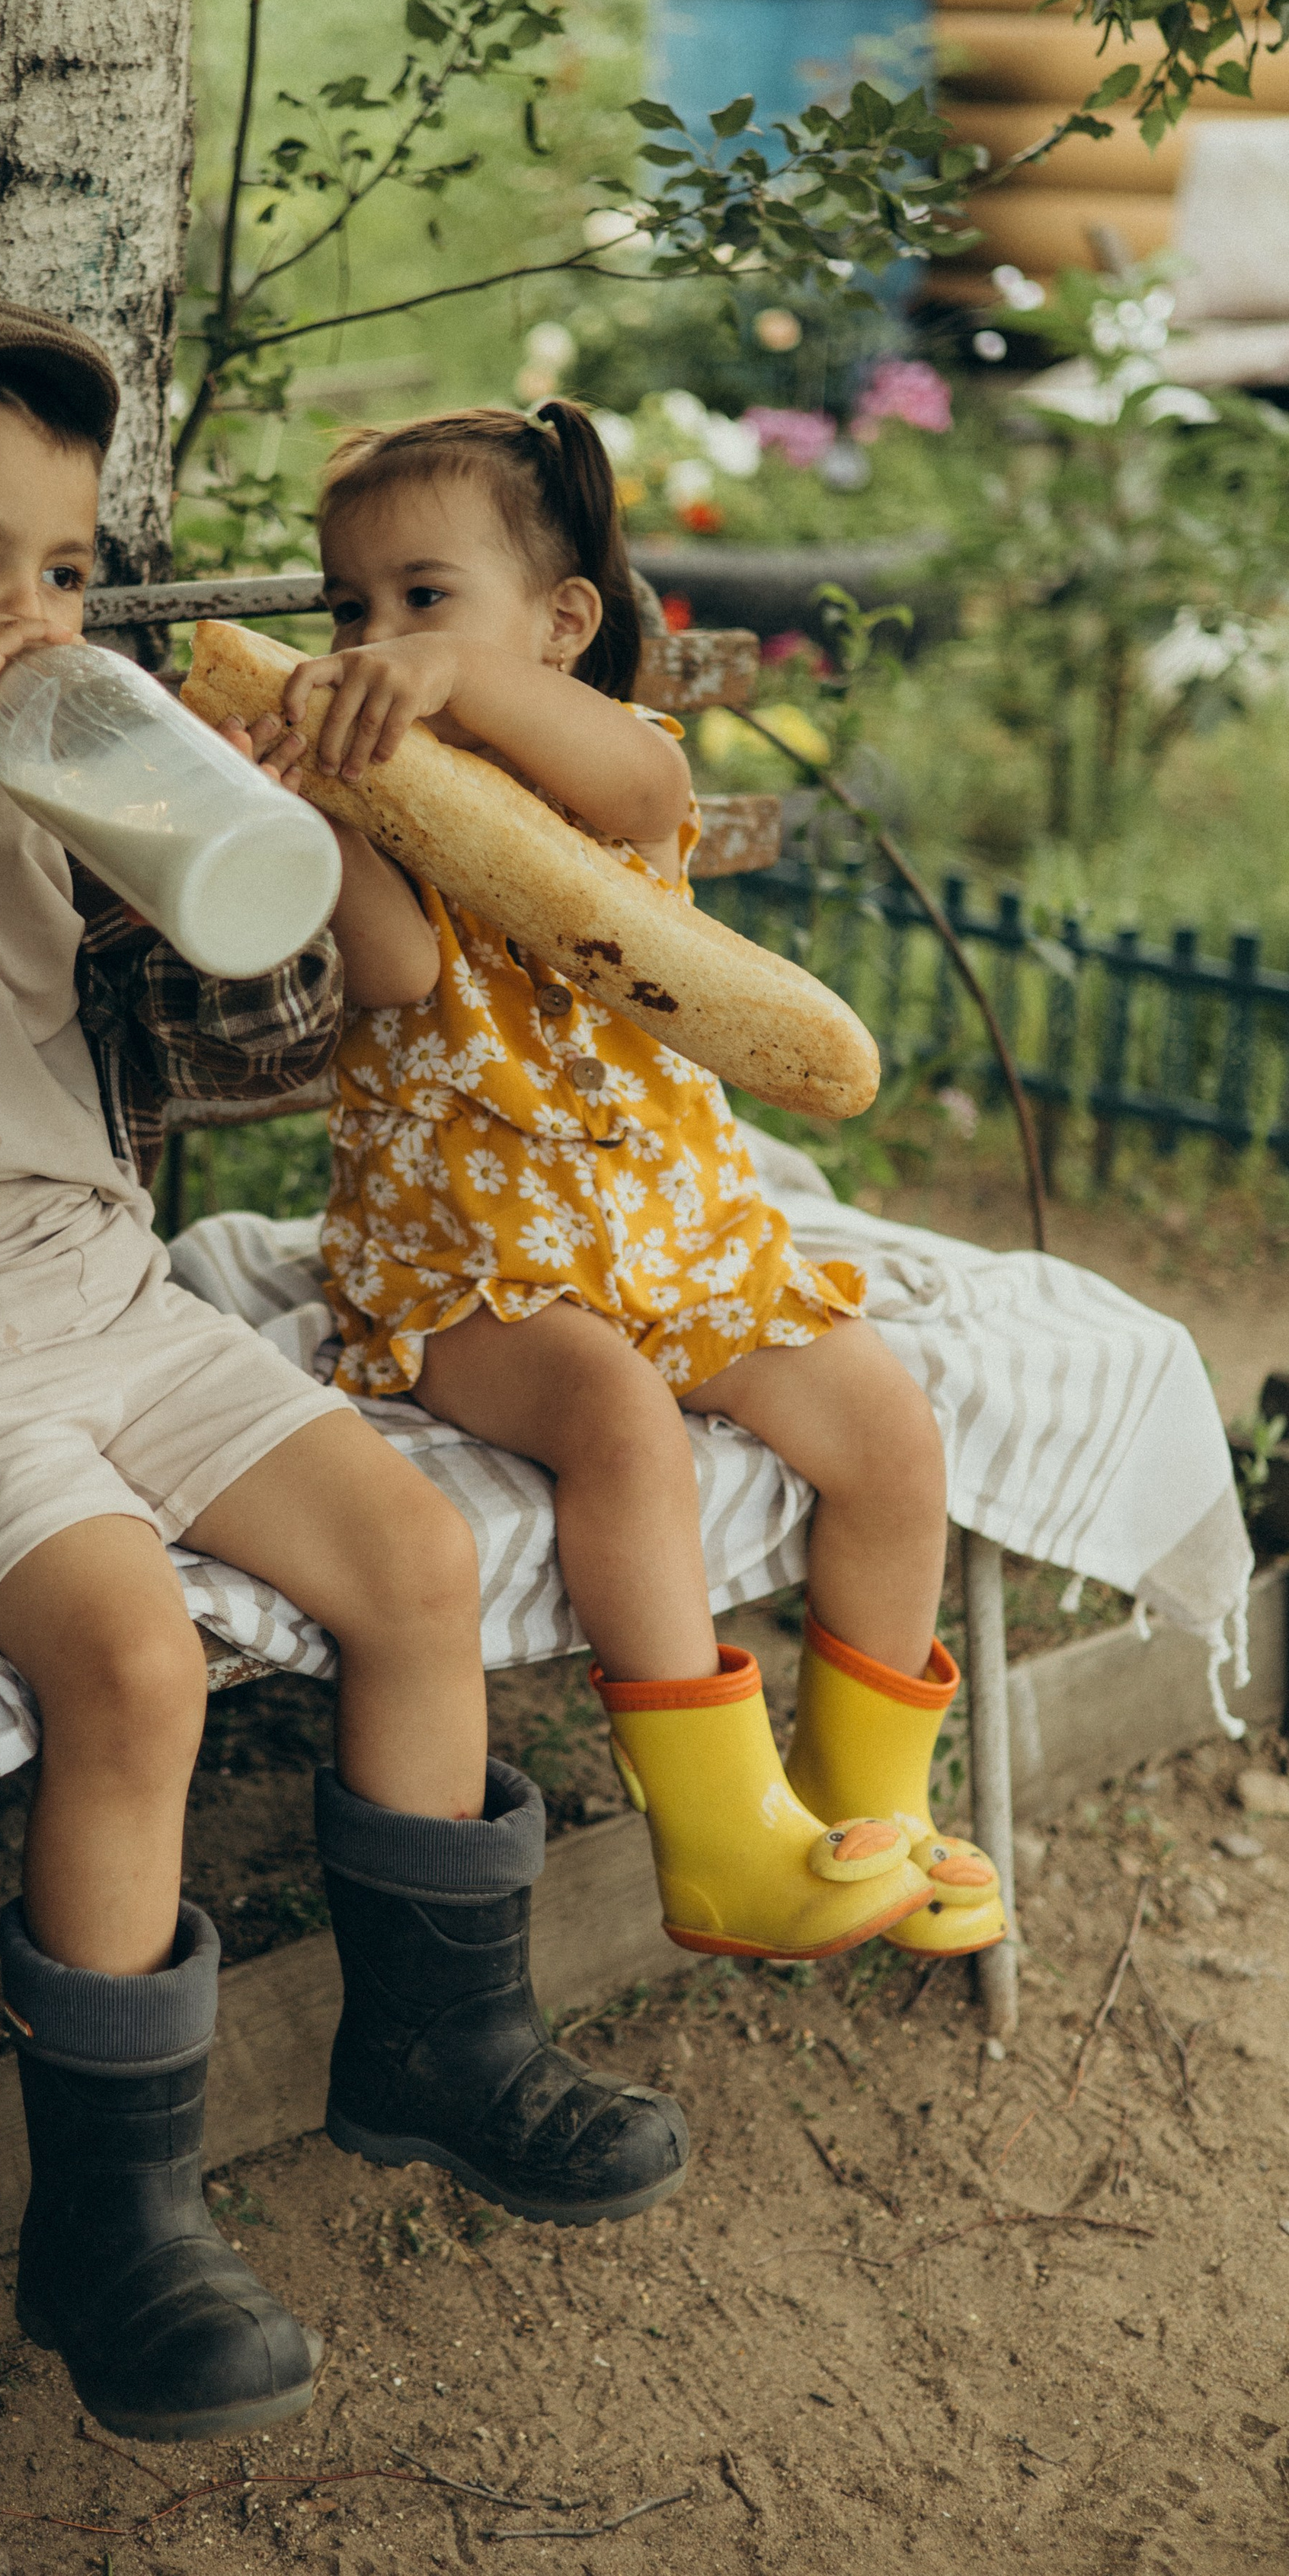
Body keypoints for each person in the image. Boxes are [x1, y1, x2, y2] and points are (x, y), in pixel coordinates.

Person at [0, 295, 689, 2449]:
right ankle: (110, 2224)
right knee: (135, 1662)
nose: (31, 615)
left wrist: (242, 860)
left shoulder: (73, 785)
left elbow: (265, 1048)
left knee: (412, 1560)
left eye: (63, 569)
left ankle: (437, 2050)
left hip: (107, 1298)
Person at [272, 401, 1006, 1970]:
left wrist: (455, 683)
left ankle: (862, 1802)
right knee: (617, 1427)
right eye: (346, 609)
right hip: (471, 1266)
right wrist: (325, 805)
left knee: (885, 1433)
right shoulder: (379, 810)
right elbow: (397, 977)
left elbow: (638, 789)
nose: (375, 641)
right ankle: (723, 1839)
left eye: (423, 598)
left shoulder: (617, 781)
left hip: (678, 1239)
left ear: (559, 625)